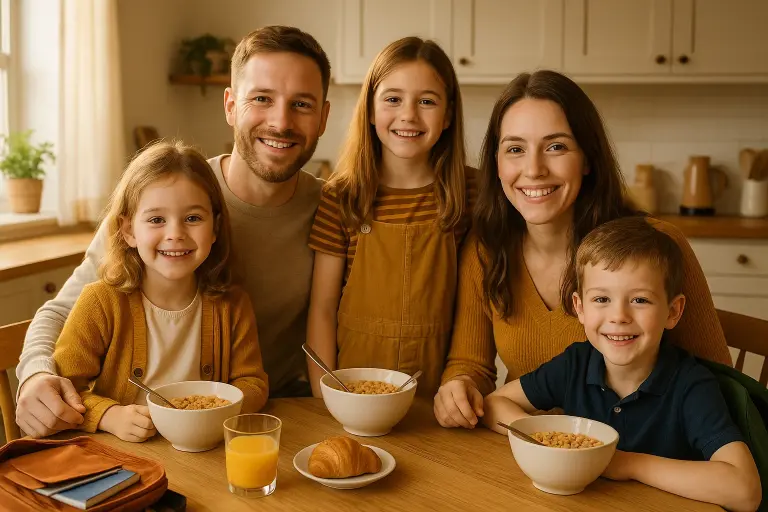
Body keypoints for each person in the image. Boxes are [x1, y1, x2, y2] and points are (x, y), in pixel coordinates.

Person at [16, 25, 330, 437]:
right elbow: (62, 311)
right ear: (231, 105)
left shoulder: (334, 212)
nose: (280, 121)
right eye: (262, 99)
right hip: (143, 430)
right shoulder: (168, 197)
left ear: (324, 117)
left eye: (301, 104)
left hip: (272, 417)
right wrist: (36, 375)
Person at [434, 70, 732, 429]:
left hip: (636, 458)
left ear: (587, 158)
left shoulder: (654, 245)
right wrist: (459, 387)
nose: (534, 169)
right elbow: (472, 366)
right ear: (496, 163)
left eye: (556, 147)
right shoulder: (487, 248)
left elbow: (718, 384)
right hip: (528, 451)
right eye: (515, 149)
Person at [483, 216, 761, 512]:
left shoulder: (691, 385)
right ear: (580, 308)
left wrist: (628, 464)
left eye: (640, 300)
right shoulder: (575, 364)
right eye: (602, 299)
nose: (619, 316)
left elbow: (745, 490)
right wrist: (552, 441)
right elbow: (494, 405)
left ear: (673, 311)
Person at [52, 141, 269, 442]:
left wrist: (222, 407)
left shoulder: (232, 304)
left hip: (206, 456)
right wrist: (108, 416)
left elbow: (253, 382)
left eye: (193, 218)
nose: (175, 234)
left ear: (215, 228)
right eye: (156, 220)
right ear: (128, 231)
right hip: (122, 460)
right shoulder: (100, 302)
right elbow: (65, 388)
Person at [306, 37, 473, 398]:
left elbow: (475, 310)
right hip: (352, 396)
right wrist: (326, 398)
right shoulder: (341, 197)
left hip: (440, 401)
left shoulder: (472, 193)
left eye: (426, 101)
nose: (408, 115)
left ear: (447, 116)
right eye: (393, 99)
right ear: (369, 109)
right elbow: (322, 308)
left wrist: (462, 385)